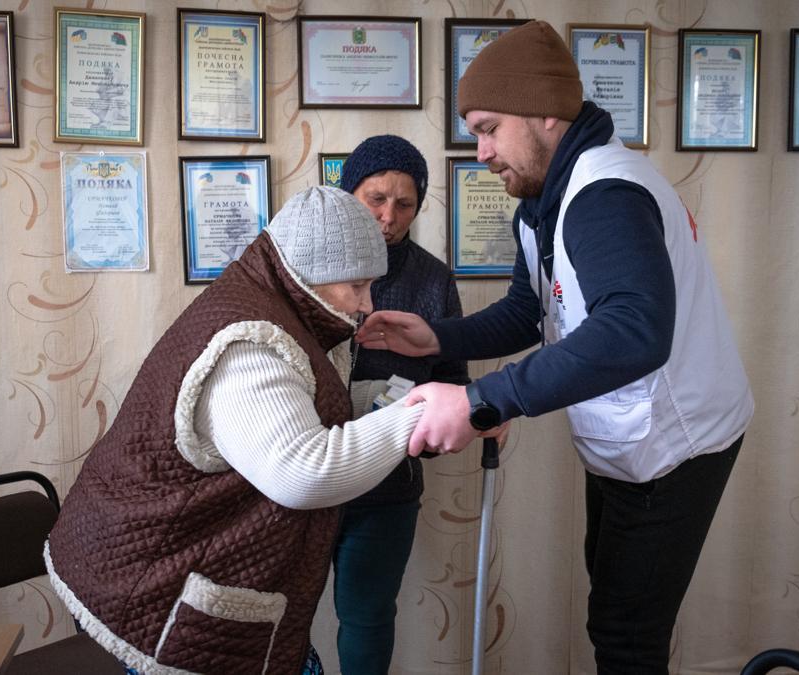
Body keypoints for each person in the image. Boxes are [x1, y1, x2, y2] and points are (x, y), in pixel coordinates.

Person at [357, 20, 754, 673]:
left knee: (625, 633)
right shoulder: (547, 200)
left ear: (545, 114)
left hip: (673, 445)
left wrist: (485, 398)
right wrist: (439, 336)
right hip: (627, 438)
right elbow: (530, 310)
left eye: (487, 128)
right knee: (614, 614)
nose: (480, 152)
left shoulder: (604, 196)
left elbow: (634, 328)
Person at [46, 187, 425, 675]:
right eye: (356, 286)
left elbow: (298, 404)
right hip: (145, 577)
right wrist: (418, 413)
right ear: (308, 276)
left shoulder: (276, 308)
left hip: (155, 558)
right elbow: (304, 472)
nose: (366, 302)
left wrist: (404, 394)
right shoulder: (251, 344)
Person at [331, 135, 470, 675]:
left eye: (405, 203)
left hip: (386, 482)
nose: (389, 216)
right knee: (282, 611)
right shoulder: (311, 266)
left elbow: (453, 377)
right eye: (376, 198)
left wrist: (423, 433)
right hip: (298, 473)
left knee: (366, 617)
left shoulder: (433, 280)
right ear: (350, 195)